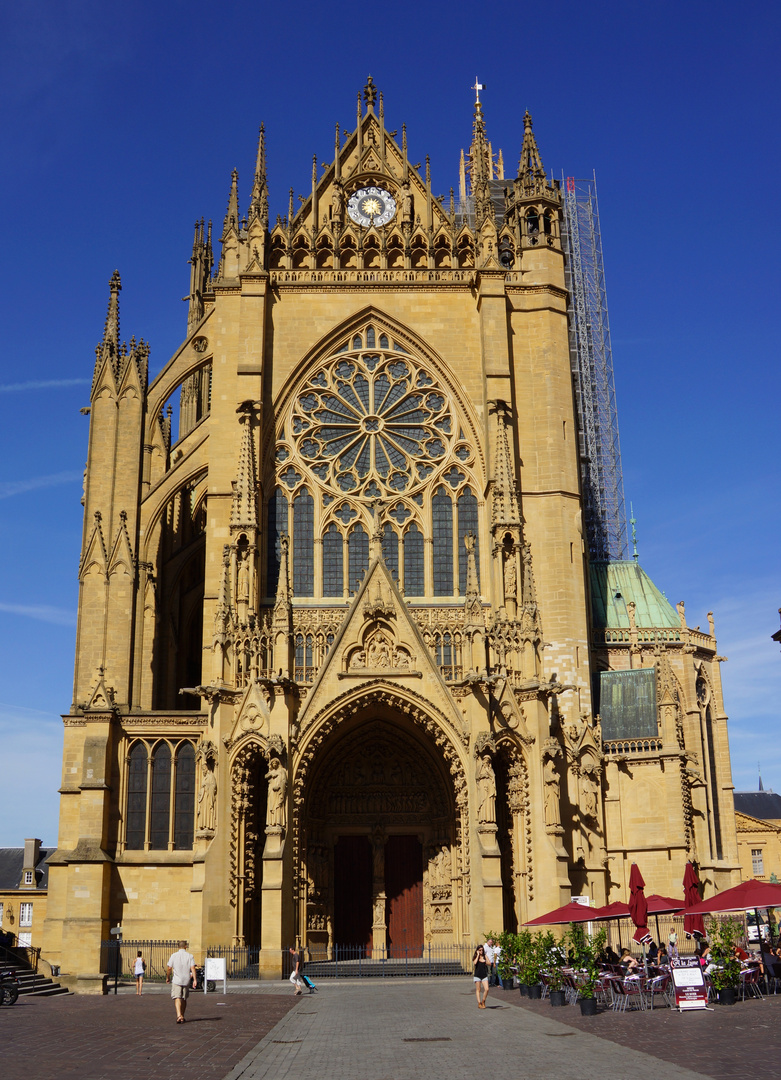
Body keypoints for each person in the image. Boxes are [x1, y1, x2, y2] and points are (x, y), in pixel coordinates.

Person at [166, 940, 197, 1024]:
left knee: (177, 997)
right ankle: (182, 1015)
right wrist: (194, 979)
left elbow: (169, 968)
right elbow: (193, 968)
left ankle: (179, 1015)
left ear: (178, 946)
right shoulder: (190, 956)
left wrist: (168, 977)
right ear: (185, 946)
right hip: (186, 979)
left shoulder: (174, 955)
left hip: (177, 979)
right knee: (184, 998)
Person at [473, 944, 490, 1008]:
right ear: (477, 950)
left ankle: (483, 1001)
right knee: (478, 989)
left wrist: (485, 961)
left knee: (487, 989)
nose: (481, 951)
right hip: (477, 975)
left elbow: (489, 963)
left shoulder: (485, 956)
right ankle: (479, 1003)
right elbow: (474, 963)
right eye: (480, 950)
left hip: (484, 975)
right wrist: (477, 955)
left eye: (482, 950)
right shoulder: (475, 956)